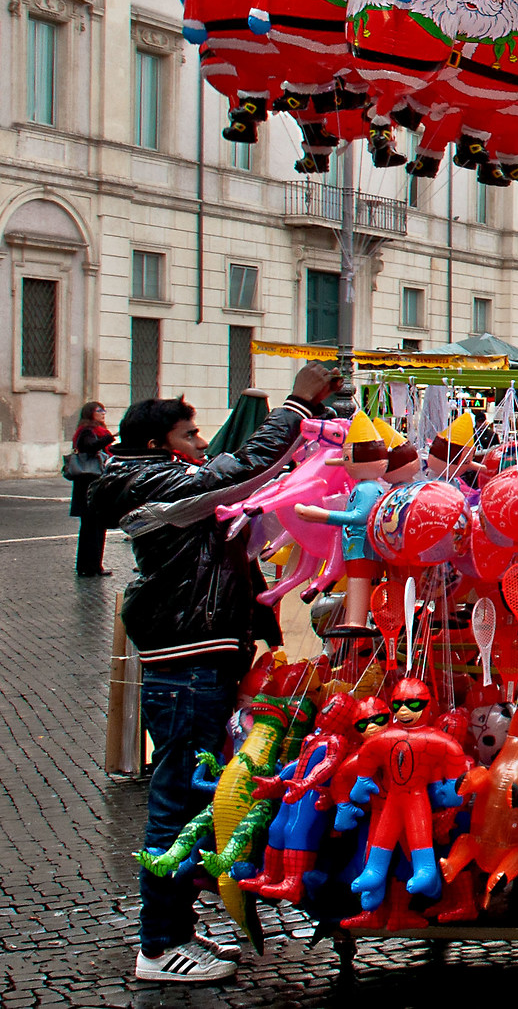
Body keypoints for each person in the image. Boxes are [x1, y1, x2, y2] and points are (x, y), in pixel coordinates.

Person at [85, 363, 341, 986]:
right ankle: (157, 946)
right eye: (190, 435)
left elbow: (252, 491)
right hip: (186, 664)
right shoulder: (152, 486)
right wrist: (296, 405)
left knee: (195, 794)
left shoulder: (171, 485)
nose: (202, 445)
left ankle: (175, 924)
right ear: (157, 446)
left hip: (204, 658)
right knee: (174, 799)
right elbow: (239, 471)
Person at [64, 400, 111, 577]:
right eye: (99, 410)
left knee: (96, 527)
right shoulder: (87, 431)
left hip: (94, 484)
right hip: (88, 485)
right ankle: (88, 566)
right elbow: (89, 447)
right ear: (90, 412)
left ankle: (94, 565)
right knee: (91, 527)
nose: (103, 412)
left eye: (104, 409)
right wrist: (109, 438)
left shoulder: (95, 430)